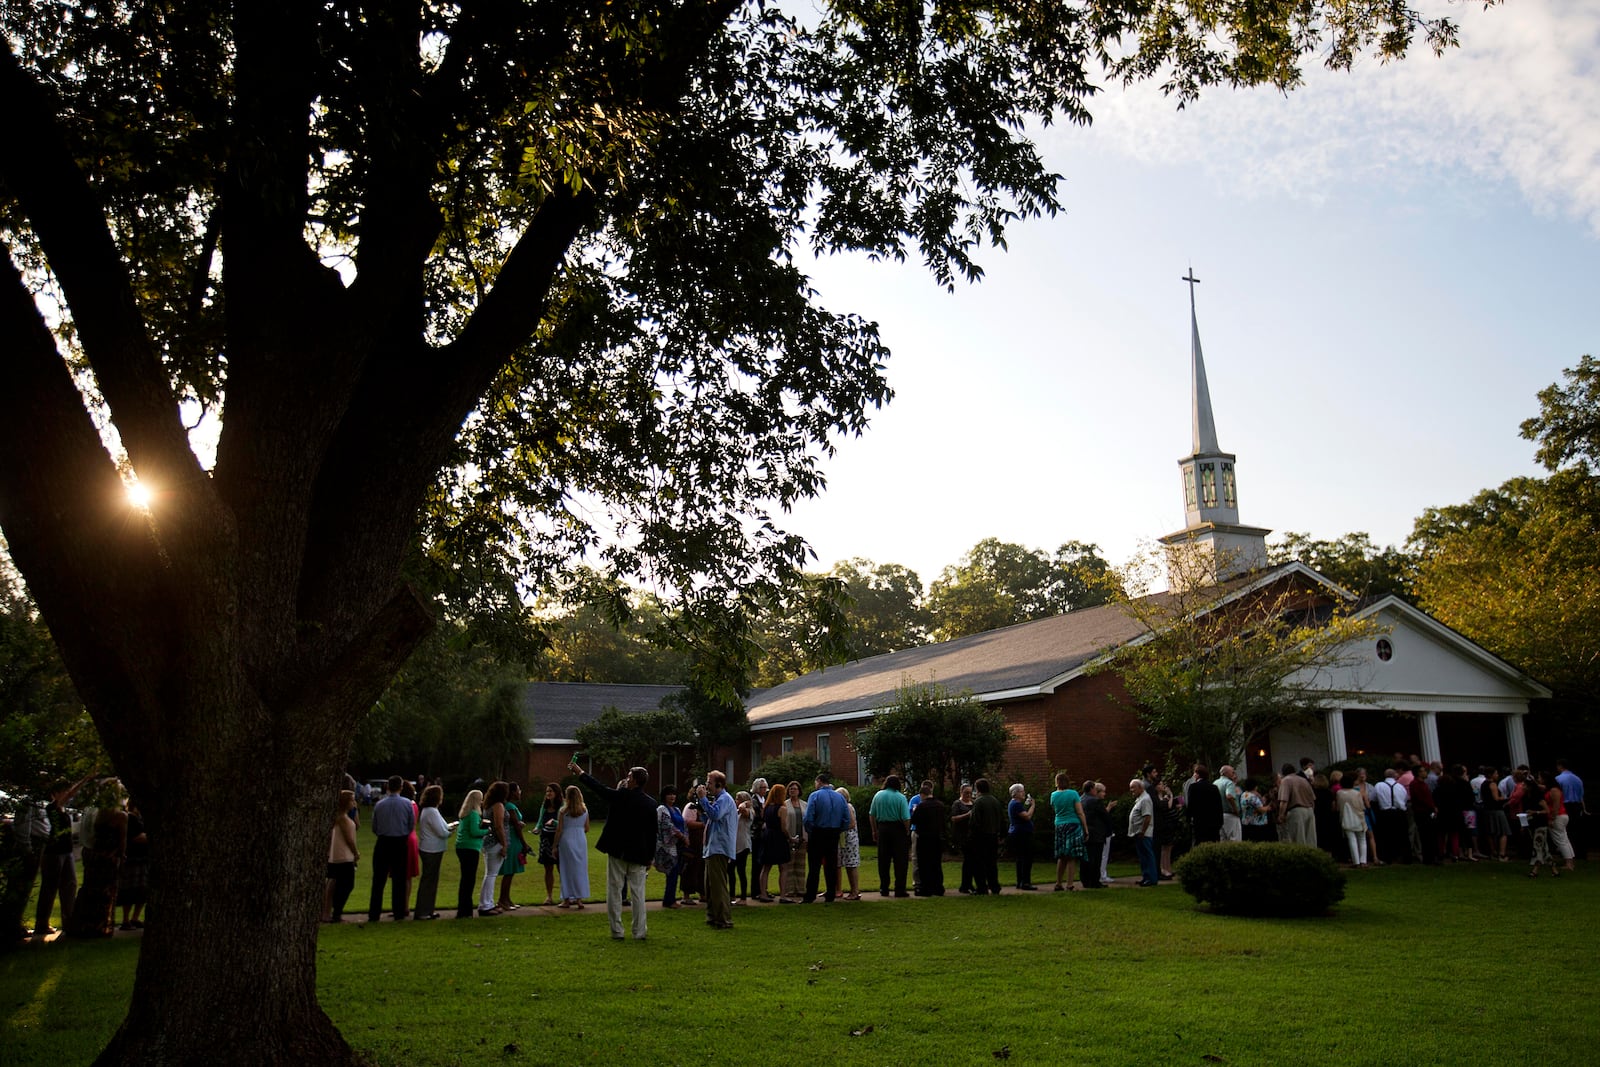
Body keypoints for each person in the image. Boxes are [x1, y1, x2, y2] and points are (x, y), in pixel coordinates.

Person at [572, 761, 657, 940]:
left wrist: (580, 772)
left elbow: (598, 788)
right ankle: (639, 931)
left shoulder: (620, 796)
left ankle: (617, 931)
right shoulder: (650, 804)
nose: (626, 779)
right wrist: (650, 857)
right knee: (638, 894)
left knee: (614, 890)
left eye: (629, 776)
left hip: (618, 850)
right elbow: (652, 833)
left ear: (634, 781)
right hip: (639, 853)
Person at [67, 780, 127, 938]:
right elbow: (122, 842)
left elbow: (85, 835)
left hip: (94, 854)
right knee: (106, 892)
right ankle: (101, 926)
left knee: (89, 889)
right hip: (109, 857)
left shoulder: (93, 812)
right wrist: (122, 857)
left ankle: (82, 925)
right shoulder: (119, 816)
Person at [34, 779, 85, 938]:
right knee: (49, 888)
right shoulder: (51, 808)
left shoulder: (63, 810)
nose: (68, 794)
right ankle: (42, 924)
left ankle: (68, 923)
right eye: (64, 791)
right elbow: (70, 794)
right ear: (55, 793)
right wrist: (85, 780)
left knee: (70, 886)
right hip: (54, 853)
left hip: (67, 852)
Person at [369, 775, 416, 922]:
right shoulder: (407, 804)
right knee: (399, 880)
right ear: (401, 787)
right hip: (400, 842)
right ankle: (399, 912)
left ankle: (374, 913)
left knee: (378, 880)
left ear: (387, 787)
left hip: (383, 842)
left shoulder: (379, 804)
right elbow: (411, 825)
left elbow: (374, 826)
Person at [802, 771, 849, 903]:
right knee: (831, 865)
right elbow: (846, 818)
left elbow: (808, 817)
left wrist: (811, 831)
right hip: (833, 833)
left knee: (814, 865)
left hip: (818, 832)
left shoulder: (815, 795)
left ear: (819, 782)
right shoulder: (840, 797)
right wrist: (839, 829)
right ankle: (831, 893)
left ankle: (810, 895)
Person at [702, 770, 737, 928]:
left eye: (709, 783)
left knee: (718, 886)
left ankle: (723, 919)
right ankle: (713, 916)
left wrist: (703, 799)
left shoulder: (724, 799)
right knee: (709, 886)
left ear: (719, 784)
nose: (707, 786)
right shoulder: (719, 799)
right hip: (713, 847)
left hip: (719, 848)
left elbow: (715, 815)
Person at [869, 775, 911, 896]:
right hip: (897, 829)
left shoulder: (878, 795)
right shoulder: (900, 797)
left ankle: (884, 888)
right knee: (900, 861)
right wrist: (907, 831)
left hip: (883, 828)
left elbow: (872, 814)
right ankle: (900, 889)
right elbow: (905, 817)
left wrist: (874, 830)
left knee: (883, 860)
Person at [414, 784, 452, 919]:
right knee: (428, 881)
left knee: (431, 880)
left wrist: (448, 828)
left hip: (432, 848)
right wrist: (449, 831)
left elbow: (442, 826)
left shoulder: (430, 810)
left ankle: (428, 909)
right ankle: (423, 911)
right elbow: (441, 831)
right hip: (432, 849)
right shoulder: (431, 811)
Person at [325, 789, 359, 922]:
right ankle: (337, 912)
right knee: (347, 885)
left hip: (336, 855)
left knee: (336, 883)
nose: (354, 802)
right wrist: (356, 852)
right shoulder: (343, 819)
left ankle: (332, 911)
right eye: (352, 800)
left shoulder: (339, 817)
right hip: (344, 856)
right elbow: (349, 839)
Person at [1047, 772, 1084, 892]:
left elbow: (1054, 809)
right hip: (1073, 824)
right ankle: (1069, 884)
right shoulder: (1073, 794)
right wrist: (1085, 828)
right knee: (1071, 857)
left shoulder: (1053, 795)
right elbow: (1079, 811)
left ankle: (1058, 883)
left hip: (1059, 825)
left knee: (1061, 856)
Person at [117, 797, 150, 931]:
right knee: (130, 889)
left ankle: (135, 918)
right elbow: (135, 837)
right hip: (133, 858)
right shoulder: (130, 818)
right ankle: (126, 919)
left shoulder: (140, 818)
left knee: (142, 890)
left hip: (143, 857)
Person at [968, 778, 1006, 895]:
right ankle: (994, 886)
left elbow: (974, 822)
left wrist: (972, 835)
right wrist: (1003, 834)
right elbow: (1002, 819)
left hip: (980, 837)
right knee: (991, 863)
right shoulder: (995, 801)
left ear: (978, 789)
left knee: (978, 863)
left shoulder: (979, 802)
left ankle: (981, 887)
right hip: (993, 836)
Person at [497, 782, 530, 911]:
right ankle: (502, 900)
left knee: (511, 872)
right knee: (509, 872)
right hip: (513, 840)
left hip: (513, 839)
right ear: (513, 792)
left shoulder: (510, 806)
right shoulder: (510, 806)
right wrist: (524, 843)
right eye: (518, 790)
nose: (520, 792)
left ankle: (507, 899)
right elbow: (516, 826)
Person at [478, 781, 509, 915]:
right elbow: (499, 825)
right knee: (491, 874)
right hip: (495, 842)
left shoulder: (487, 805)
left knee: (490, 873)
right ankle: (485, 905)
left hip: (488, 842)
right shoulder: (498, 805)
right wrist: (504, 844)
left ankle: (488, 902)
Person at [910, 781, 947, 896]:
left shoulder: (921, 806)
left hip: (924, 838)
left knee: (924, 863)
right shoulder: (940, 805)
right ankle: (938, 887)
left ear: (922, 795)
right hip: (937, 837)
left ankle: (926, 889)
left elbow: (914, 820)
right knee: (936, 863)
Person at [557, 784, 591, 908]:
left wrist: (555, 845)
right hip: (580, 839)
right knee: (580, 869)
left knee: (566, 869)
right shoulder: (584, 810)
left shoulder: (563, 811)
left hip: (567, 838)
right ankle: (579, 899)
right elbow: (587, 828)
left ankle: (566, 899)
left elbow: (559, 829)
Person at [454, 788, 486, 918]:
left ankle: (464, 909)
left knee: (466, 879)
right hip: (470, 848)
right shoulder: (473, 814)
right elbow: (474, 832)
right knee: (469, 879)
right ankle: (465, 910)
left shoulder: (465, 813)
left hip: (462, 846)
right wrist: (487, 831)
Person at [656, 785, 689, 908]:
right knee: (672, 872)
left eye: (674, 794)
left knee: (675, 873)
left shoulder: (677, 809)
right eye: (669, 794)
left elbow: (683, 824)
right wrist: (681, 836)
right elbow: (667, 825)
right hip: (667, 846)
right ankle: (669, 900)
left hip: (677, 845)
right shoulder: (661, 809)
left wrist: (686, 837)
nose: (672, 796)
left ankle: (670, 899)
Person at [756, 782, 790, 902]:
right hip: (778, 837)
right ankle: (782, 895)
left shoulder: (766, 808)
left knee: (766, 867)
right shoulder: (782, 809)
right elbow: (783, 827)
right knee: (784, 867)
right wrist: (790, 838)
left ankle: (763, 893)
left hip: (767, 836)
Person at [1079, 780, 1111, 888]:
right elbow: (1104, 815)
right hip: (1096, 833)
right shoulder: (1095, 801)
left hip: (1085, 831)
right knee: (1096, 858)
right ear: (1092, 789)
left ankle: (1085, 880)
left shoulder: (1081, 799)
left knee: (1086, 858)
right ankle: (1094, 881)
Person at [1276, 763, 1316, 847]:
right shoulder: (1304, 780)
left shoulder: (1286, 781)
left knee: (1298, 839)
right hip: (1309, 810)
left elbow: (1284, 801)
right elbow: (1312, 798)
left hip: (1296, 811)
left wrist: (1281, 815)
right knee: (1310, 838)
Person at [1128, 778, 1159, 887]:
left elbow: (1147, 817)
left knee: (1147, 855)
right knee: (1143, 856)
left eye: (1133, 788)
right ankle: (1146, 876)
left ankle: (1151, 878)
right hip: (1139, 833)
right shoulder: (1140, 799)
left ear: (1141, 788)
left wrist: (1142, 831)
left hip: (1144, 833)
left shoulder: (1145, 799)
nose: (1131, 790)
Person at [1008, 783, 1038, 891]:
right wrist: (1033, 805)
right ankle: (1025, 882)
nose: (1023, 793)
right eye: (1021, 791)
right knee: (1026, 858)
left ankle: (1020, 881)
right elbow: (1027, 816)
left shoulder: (1015, 804)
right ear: (1015, 793)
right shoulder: (1016, 804)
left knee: (1020, 858)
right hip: (1022, 834)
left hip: (1017, 833)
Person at [1185, 763, 1223, 847]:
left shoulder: (1193, 787)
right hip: (1213, 822)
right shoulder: (1214, 787)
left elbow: (1190, 804)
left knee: (1200, 844)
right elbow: (1219, 805)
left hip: (1199, 821)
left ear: (1197, 774)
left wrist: (1188, 819)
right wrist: (1220, 821)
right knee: (1213, 844)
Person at [681, 784, 707, 905]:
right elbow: (687, 822)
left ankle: (703, 893)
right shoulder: (690, 807)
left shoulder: (703, 807)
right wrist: (703, 825)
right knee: (690, 869)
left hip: (702, 843)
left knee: (702, 869)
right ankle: (686, 895)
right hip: (692, 842)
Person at [782, 781, 808, 900]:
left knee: (801, 864)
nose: (793, 791)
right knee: (789, 864)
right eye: (791, 789)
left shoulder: (804, 804)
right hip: (790, 837)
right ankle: (790, 889)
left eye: (795, 789)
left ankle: (801, 889)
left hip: (802, 837)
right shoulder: (785, 804)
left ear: (799, 791)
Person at [537, 783, 561, 905]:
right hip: (546, 839)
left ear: (556, 793)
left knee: (561, 868)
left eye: (551, 791)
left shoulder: (561, 807)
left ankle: (566, 895)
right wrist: (537, 828)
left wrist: (555, 822)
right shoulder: (544, 807)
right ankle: (549, 896)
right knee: (548, 868)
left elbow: (563, 823)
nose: (548, 794)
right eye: (547, 791)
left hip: (558, 840)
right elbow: (540, 821)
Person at [836, 785, 862, 900]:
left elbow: (851, 823)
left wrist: (839, 828)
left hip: (849, 840)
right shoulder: (845, 807)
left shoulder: (847, 807)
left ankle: (855, 891)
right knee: (849, 865)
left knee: (851, 865)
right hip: (846, 840)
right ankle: (853, 891)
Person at [1336, 777, 1369, 867]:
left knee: (1352, 839)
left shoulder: (1339, 793)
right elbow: (1361, 806)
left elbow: (1338, 807)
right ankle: (1363, 861)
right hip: (1358, 817)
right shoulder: (1356, 793)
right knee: (1362, 839)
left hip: (1346, 818)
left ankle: (1356, 861)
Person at [950, 782, 975, 893]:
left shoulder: (973, 803)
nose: (968, 795)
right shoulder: (957, 804)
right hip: (962, 836)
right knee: (968, 860)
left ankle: (968, 883)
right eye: (966, 793)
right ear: (961, 792)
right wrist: (967, 815)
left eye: (970, 793)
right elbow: (954, 818)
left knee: (972, 861)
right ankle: (965, 885)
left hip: (972, 836)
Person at [1239, 778, 1274, 843]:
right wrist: (1268, 807)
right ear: (1255, 786)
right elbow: (1260, 809)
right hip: (1256, 824)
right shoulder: (1253, 797)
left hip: (1246, 823)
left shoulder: (1243, 794)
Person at [733, 790, 753, 901]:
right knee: (730, 871)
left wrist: (744, 804)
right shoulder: (735, 812)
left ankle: (744, 897)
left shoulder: (749, 812)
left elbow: (742, 809)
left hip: (743, 845)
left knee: (741, 871)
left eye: (738, 798)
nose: (736, 801)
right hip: (733, 845)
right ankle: (732, 895)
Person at [1215, 766, 1242, 842]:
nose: (1234, 774)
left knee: (1223, 840)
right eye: (1232, 772)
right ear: (1225, 773)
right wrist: (1236, 810)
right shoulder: (1229, 783)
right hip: (1231, 815)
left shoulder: (1215, 783)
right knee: (1235, 840)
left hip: (1219, 815)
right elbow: (1229, 796)